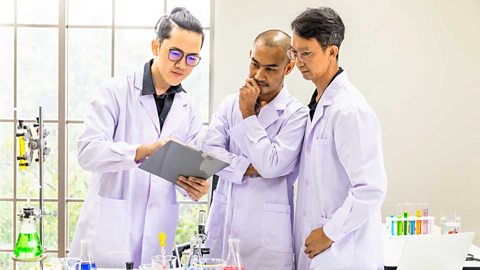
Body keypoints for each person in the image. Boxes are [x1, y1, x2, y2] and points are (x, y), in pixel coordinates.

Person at [69, 8, 210, 268]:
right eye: (175, 53)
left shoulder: (188, 107)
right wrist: (144, 150)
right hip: (109, 230)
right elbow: (87, 152)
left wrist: (194, 185)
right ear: (156, 46)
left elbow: (180, 174)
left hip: (158, 231)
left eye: (192, 58)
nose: (182, 65)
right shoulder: (115, 91)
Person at [289, 7, 388, 270]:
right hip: (320, 251)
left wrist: (329, 233)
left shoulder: (349, 110)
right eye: (294, 52)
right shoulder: (317, 104)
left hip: (344, 252)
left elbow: (370, 188)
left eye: (306, 53)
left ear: (332, 51)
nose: (298, 61)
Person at [202, 30, 309, 270]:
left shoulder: (296, 114)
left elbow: (273, 166)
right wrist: (249, 168)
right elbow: (208, 155)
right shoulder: (230, 103)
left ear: (289, 68)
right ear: (249, 55)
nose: (259, 75)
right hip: (225, 221)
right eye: (254, 64)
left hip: (267, 238)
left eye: (270, 68)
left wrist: (248, 114)